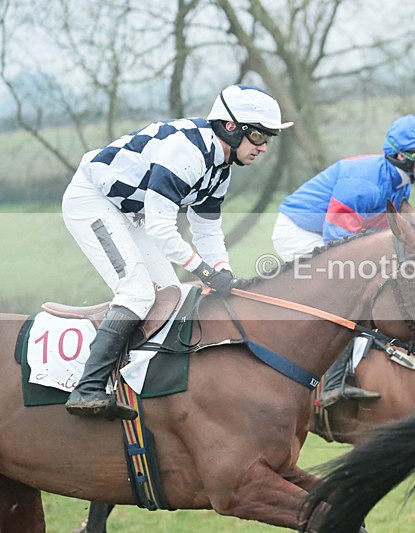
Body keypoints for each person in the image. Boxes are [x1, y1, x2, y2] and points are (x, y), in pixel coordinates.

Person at [62, 84, 292, 419]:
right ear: (231, 127)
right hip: (92, 201)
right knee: (138, 292)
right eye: (258, 136)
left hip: (130, 213)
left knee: (170, 295)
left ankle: (139, 381)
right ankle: (88, 388)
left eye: (268, 138)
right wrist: (203, 270)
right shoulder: (186, 152)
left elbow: (207, 227)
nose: (264, 147)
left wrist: (222, 267)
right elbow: (160, 227)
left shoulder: (220, 168)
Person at [271, 114, 415, 406]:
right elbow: (338, 241)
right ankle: (332, 383)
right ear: (401, 156)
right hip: (299, 231)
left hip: (328, 233)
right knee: (349, 292)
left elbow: (387, 237)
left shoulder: (400, 183)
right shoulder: (365, 183)